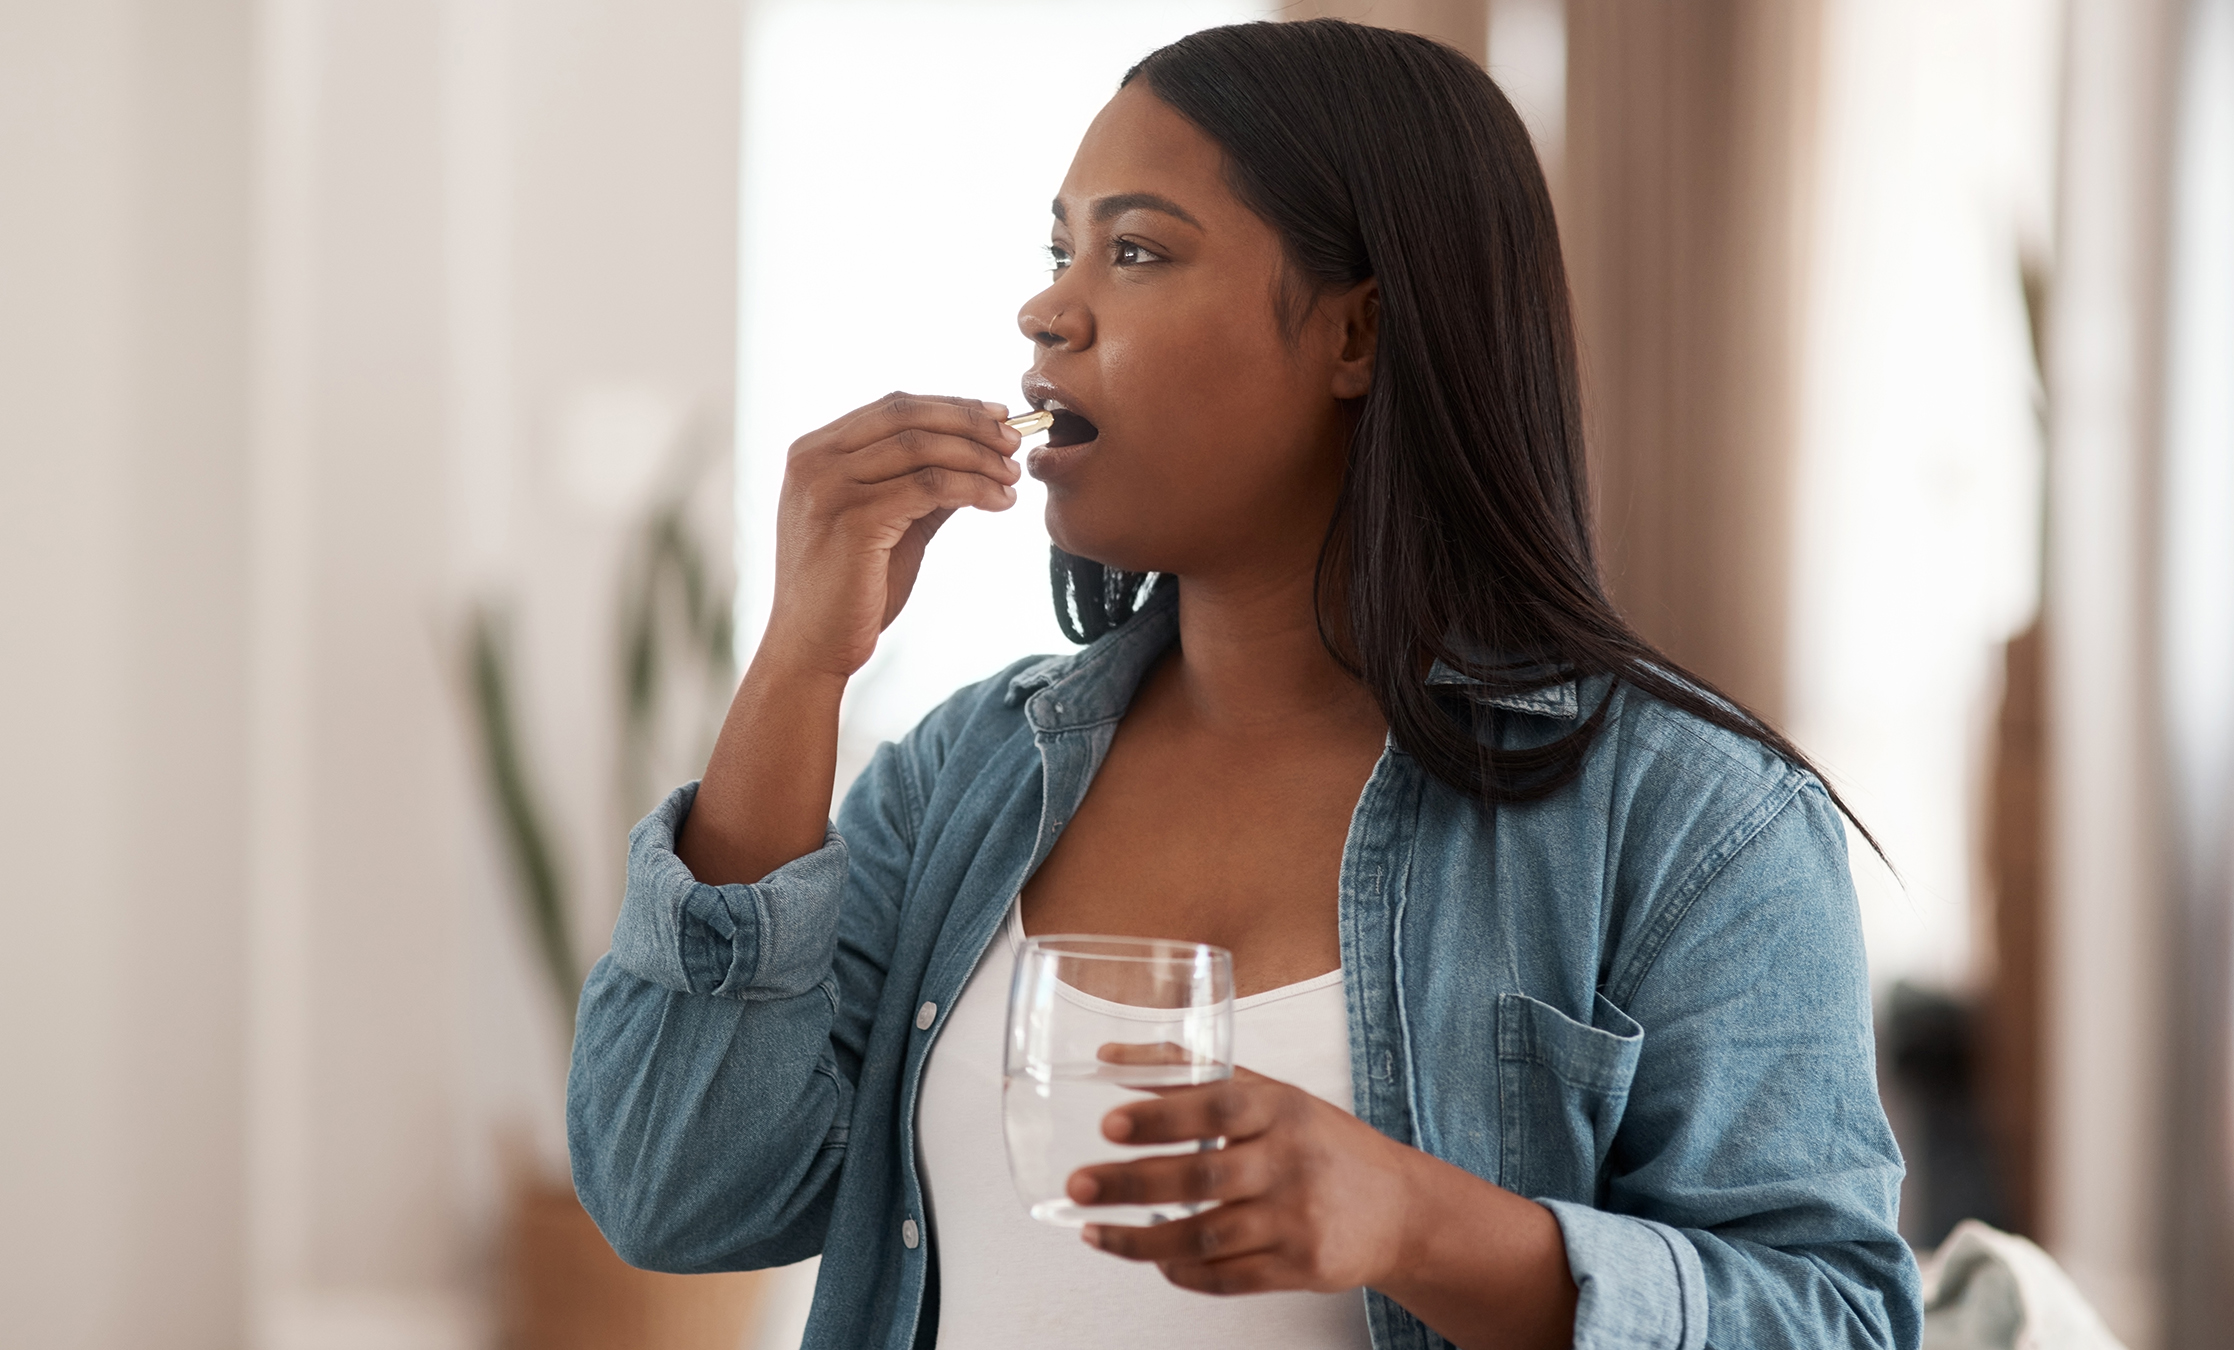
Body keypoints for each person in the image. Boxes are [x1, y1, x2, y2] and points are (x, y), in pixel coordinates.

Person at [569, 19, 1918, 1350]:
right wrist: (802, 662)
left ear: (1358, 337)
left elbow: (1839, 1320)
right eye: (1058, 248)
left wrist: (1421, 1225)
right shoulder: (968, 772)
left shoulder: (1692, 819)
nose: (1046, 306)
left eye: (1137, 250)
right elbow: (675, 1195)